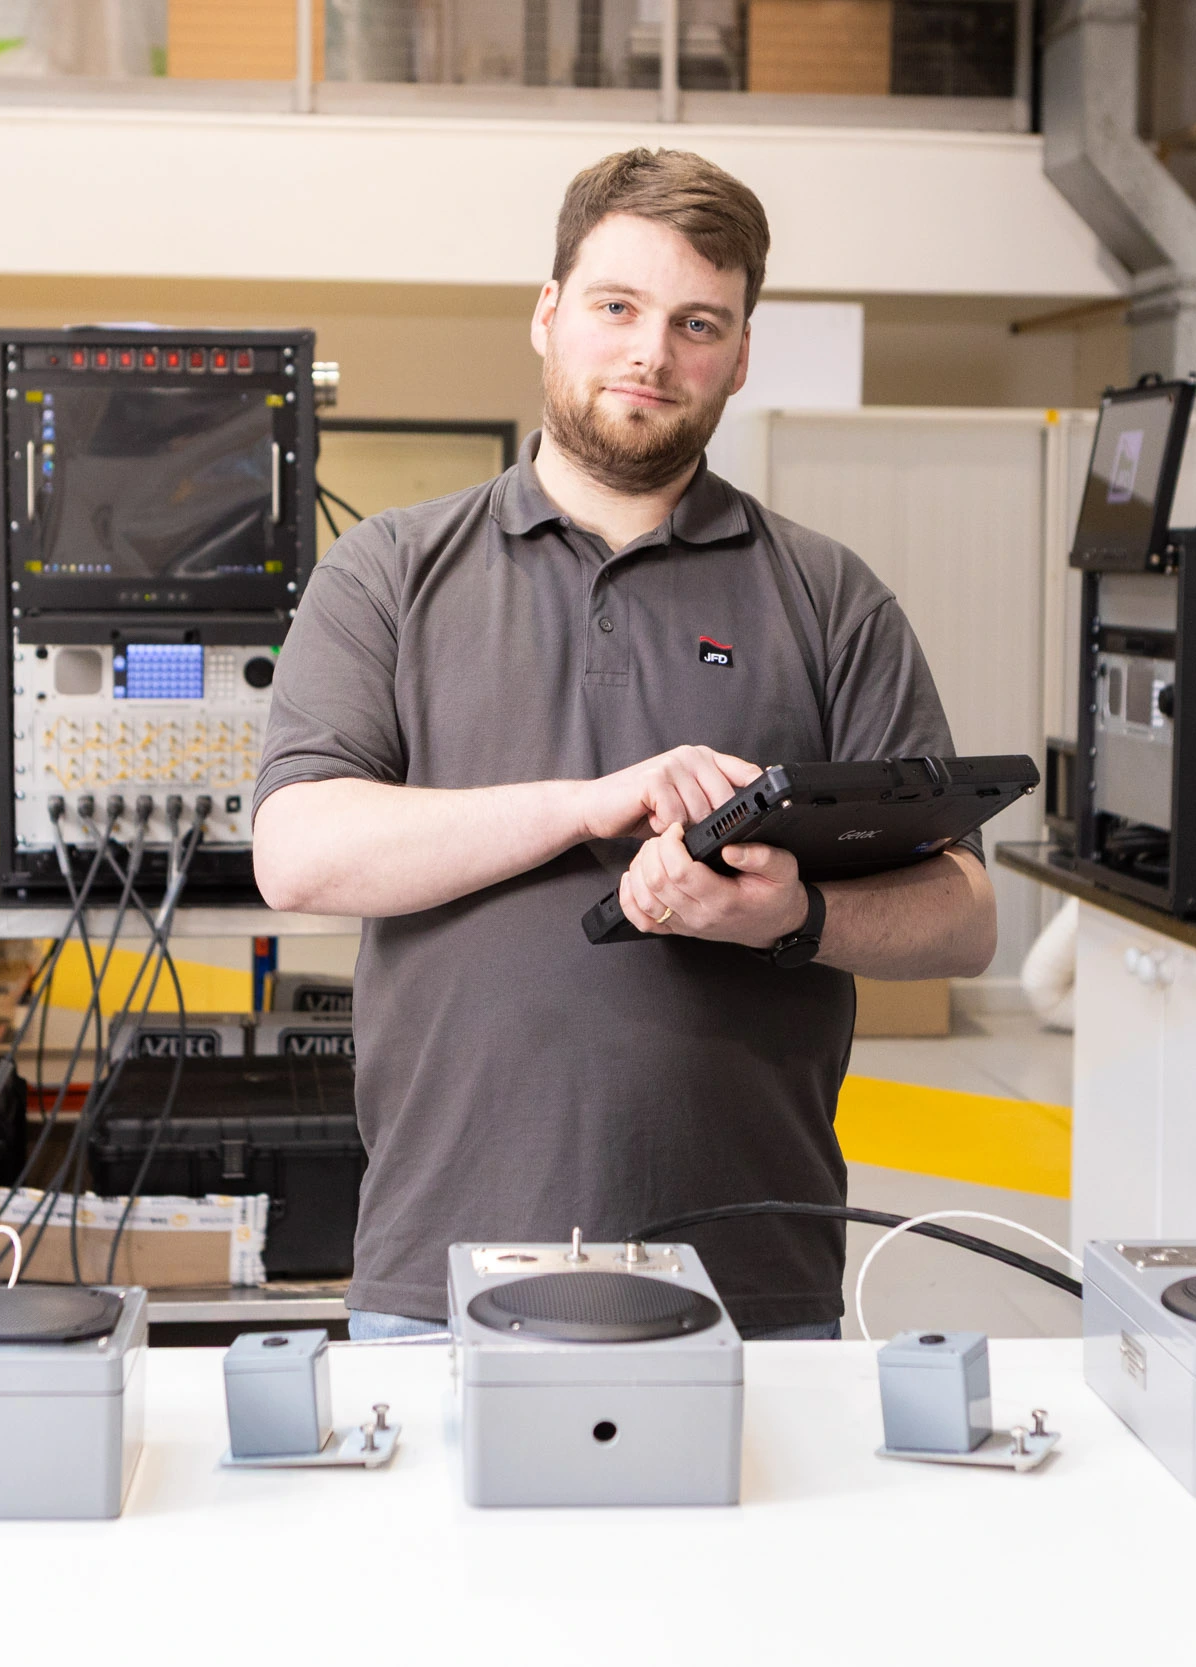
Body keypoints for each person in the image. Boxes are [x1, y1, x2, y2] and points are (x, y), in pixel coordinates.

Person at [250, 147, 995, 1340]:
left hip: (753, 1277)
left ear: (740, 354)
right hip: (440, 1269)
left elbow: (963, 912)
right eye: (617, 307)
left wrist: (794, 916)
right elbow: (297, 853)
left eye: (698, 322)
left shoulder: (827, 596)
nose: (653, 352)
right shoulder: (389, 571)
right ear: (548, 316)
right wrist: (593, 801)